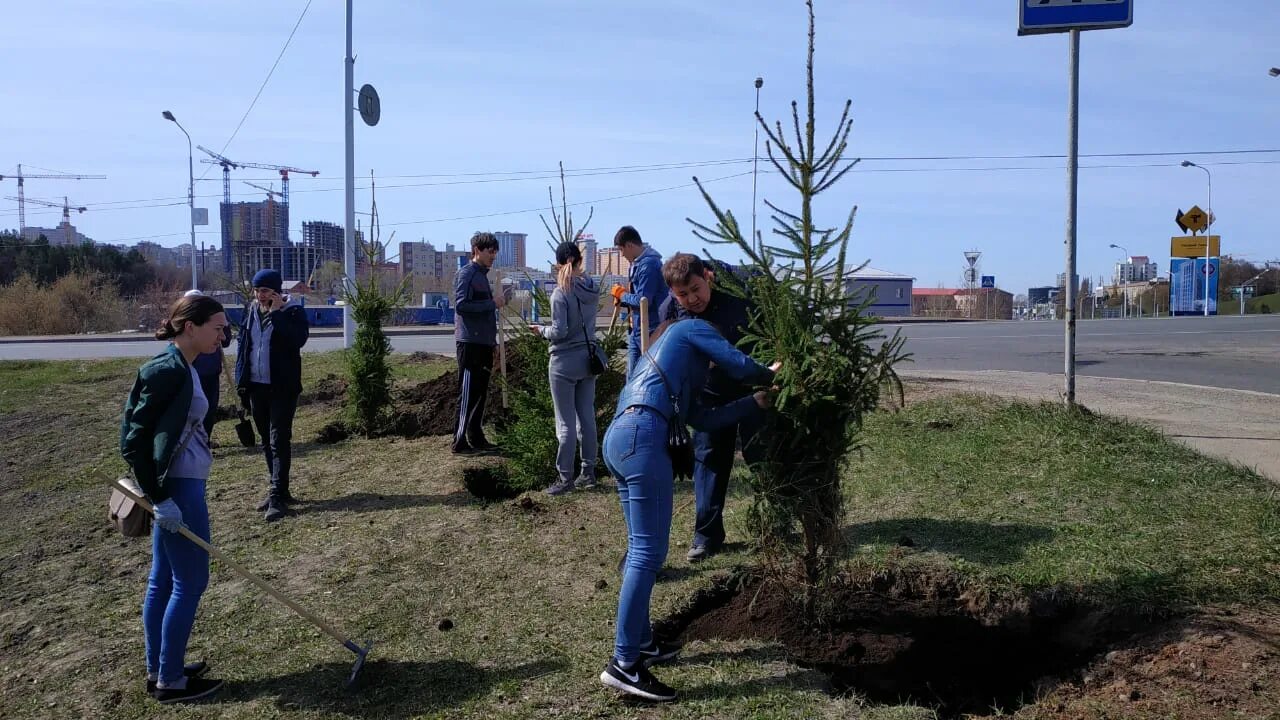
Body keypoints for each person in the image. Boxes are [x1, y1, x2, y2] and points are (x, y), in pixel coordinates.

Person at [599, 317, 778, 702]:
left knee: (638, 550)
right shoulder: (689, 328)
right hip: (643, 438)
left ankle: (643, 642)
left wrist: (752, 403)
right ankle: (624, 664)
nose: (710, 361)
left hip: (619, 439)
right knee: (648, 554)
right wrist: (769, 373)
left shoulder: (665, 375)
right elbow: (738, 362)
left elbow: (704, 419)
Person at [120, 294, 229, 704]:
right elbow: (133, 441)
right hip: (177, 488)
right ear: (190, 327)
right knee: (190, 581)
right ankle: (170, 681)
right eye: (217, 327)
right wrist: (161, 497)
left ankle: (161, 668)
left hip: (181, 483)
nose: (223, 335)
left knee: (163, 580)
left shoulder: (184, 364)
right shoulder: (167, 370)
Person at [658, 253, 764, 562]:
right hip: (709, 393)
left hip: (754, 388)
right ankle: (706, 536)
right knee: (709, 462)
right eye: (683, 294)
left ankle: (772, 522)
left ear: (709, 277)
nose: (692, 299)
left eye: (696, 289)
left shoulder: (741, 290)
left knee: (761, 455)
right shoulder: (671, 312)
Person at [234, 268, 310, 522]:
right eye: (256, 290)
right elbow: (244, 345)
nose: (259, 295)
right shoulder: (250, 311)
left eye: (265, 290)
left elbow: (297, 340)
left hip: (282, 387)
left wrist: (277, 314)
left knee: (279, 439)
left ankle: (276, 495)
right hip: (256, 386)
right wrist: (241, 382)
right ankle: (280, 489)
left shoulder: (294, 312)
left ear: (277, 291)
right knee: (266, 440)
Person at [530, 241, 602, 496]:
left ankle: (565, 478)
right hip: (589, 358)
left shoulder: (561, 292)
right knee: (587, 418)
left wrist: (541, 331)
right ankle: (589, 472)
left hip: (563, 362)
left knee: (565, 423)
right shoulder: (592, 287)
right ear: (580, 260)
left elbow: (559, 332)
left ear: (559, 262)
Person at [453, 232, 505, 454]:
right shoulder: (466, 274)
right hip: (470, 343)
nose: (493, 255)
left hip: (483, 343)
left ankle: (476, 436)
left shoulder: (483, 276)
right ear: (476, 250)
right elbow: (461, 306)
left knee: (481, 392)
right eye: (489, 251)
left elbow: (485, 308)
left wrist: (491, 342)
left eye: (495, 251)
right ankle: (459, 441)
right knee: (468, 393)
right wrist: (492, 303)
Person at [608, 226, 665, 376]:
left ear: (630, 245)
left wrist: (622, 295)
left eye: (621, 250)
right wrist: (624, 299)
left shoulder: (649, 266)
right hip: (636, 330)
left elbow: (643, 300)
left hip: (650, 330)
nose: (622, 255)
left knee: (646, 375)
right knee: (632, 376)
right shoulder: (636, 264)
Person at [183, 289, 232, 442]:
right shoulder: (185, 322)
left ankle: (204, 441)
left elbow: (226, 340)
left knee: (209, 409)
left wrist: (224, 325)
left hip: (211, 372)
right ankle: (193, 442)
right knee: (193, 410)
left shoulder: (213, 319)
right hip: (191, 373)